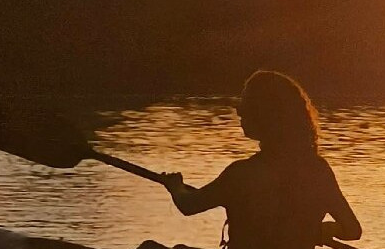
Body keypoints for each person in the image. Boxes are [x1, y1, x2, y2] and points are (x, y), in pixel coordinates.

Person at [150, 70, 362, 249]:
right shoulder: (318, 171)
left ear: (266, 116)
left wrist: (175, 186)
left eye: (245, 107)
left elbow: (189, 205)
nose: (239, 113)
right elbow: (352, 230)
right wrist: (320, 230)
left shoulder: (241, 174)